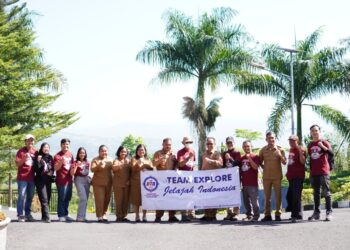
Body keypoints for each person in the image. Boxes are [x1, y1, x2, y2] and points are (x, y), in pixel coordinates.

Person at [307, 124, 333, 221]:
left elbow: (331, 154)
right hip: (314, 172)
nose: (314, 132)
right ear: (310, 133)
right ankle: (316, 213)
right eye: (312, 131)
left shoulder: (324, 142)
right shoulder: (309, 145)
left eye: (316, 130)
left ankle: (329, 213)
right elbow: (311, 159)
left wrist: (323, 146)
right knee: (316, 193)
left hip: (323, 171)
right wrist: (310, 171)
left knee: (326, 193)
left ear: (319, 131)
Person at [259, 132, 286, 222]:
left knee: (278, 196)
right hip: (266, 177)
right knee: (267, 197)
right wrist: (264, 168)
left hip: (277, 177)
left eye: (272, 138)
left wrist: (280, 155)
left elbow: (284, 162)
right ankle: (267, 215)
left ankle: (278, 214)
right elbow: (259, 161)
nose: (271, 140)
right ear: (266, 139)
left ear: (275, 138)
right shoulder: (263, 150)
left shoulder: (280, 149)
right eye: (269, 138)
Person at [153, 138, 178, 222]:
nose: (168, 146)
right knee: (161, 198)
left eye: (170, 145)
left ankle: (172, 216)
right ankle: (158, 216)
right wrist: (161, 158)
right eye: (166, 144)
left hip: (171, 180)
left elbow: (176, 164)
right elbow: (153, 164)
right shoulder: (158, 153)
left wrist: (176, 168)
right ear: (163, 144)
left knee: (172, 198)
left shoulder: (174, 153)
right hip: (161, 180)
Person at [200, 137, 223, 221]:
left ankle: (213, 215)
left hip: (214, 179)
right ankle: (206, 214)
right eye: (208, 144)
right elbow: (203, 165)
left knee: (213, 197)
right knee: (205, 196)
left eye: (211, 143)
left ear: (214, 144)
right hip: (205, 179)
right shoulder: (204, 154)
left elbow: (221, 164)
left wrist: (211, 161)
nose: (209, 145)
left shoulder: (217, 154)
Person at [15, 134, 37, 222]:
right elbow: (17, 164)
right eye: (28, 140)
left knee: (30, 196)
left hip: (32, 178)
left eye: (31, 140)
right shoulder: (21, 151)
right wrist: (24, 158)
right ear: (25, 141)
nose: (30, 142)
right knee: (21, 195)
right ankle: (20, 214)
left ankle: (28, 214)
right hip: (22, 177)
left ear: (33, 142)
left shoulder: (35, 152)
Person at [130, 144, 154, 222]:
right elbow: (133, 169)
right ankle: (137, 215)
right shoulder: (134, 159)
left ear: (145, 151)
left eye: (142, 150)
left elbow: (152, 169)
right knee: (136, 199)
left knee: (145, 199)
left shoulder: (148, 159)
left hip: (146, 183)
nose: (141, 151)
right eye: (139, 150)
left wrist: (145, 166)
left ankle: (144, 216)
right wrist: (138, 163)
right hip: (136, 181)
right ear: (137, 151)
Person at [286, 135, 306, 223]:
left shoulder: (301, 149)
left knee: (295, 196)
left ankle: (294, 215)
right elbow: (290, 163)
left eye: (293, 141)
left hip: (298, 176)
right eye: (290, 141)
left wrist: (299, 150)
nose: (291, 142)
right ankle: (299, 214)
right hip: (291, 177)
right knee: (290, 196)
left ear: (297, 141)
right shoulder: (290, 150)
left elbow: (302, 162)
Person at [54, 138, 74, 222]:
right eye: (64, 144)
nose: (66, 146)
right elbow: (55, 168)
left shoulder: (70, 155)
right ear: (61, 145)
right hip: (61, 180)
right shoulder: (57, 155)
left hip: (69, 180)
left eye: (67, 144)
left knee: (67, 197)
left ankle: (66, 214)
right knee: (61, 197)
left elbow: (72, 166)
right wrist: (61, 161)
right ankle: (61, 215)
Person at [91, 145, 113, 222]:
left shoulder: (110, 159)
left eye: (105, 151)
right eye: (102, 151)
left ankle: (104, 214)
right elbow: (92, 169)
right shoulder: (95, 159)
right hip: (98, 183)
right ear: (99, 152)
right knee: (99, 200)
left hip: (109, 183)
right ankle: (99, 216)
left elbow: (114, 170)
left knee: (107, 200)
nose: (104, 152)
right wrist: (99, 165)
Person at [33, 142, 54, 223]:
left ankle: (43, 217)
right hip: (40, 180)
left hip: (48, 180)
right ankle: (47, 217)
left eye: (48, 147)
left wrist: (51, 172)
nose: (46, 148)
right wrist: (38, 162)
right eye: (45, 147)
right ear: (41, 148)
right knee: (44, 199)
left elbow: (52, 168)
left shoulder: (50, 157)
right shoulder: (38, 157)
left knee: (47, 199)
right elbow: (35, 169)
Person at [240, 140, 261, 222]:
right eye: (245, 146)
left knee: (254, 201)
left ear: (251, 147)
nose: (246, 148)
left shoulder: (255, 156)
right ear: (243, 148)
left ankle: (256, 216)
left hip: (252, 183)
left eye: (248, 146)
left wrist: (249, 158)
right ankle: (249, 215)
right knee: (246, 202)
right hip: (244, 183)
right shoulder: (241, 158)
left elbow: (256, 167)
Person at [177, 136, 196, 222]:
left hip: (191, 176)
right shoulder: (180, 152)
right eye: (187, 142)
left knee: (191, 195)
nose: (188, 144)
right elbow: (180, 164)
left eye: (190, 142)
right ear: (183, 143)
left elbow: (193, 164)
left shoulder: (193, 151)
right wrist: (188, 157)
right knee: (183, 195)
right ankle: (184, 214)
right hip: (183, 177)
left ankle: (191, 214)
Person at [222, 136, 241, 221]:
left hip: (236, 178)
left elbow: (238, 163)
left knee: (236, 195)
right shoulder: (224, 153)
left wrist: (230, 158)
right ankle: (229, 213)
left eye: (231, 142)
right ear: (226, 144)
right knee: (227, 195)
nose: (230, 144)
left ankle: (236, 213)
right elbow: (223, 165)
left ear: (234, 143)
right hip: (227, 178)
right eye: (228, 143)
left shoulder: (237, 152)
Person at [70, 147, 90, 222]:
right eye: (81, 153)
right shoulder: (75, 162)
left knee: (86, 199)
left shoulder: (87, 163)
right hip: (78, 180)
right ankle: (79, 217)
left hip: (86, 180)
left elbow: (87, 172)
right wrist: (76, 166)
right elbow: (72, 173)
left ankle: (83, 216)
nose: (82, 154)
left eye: (83, 153)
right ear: (78, 154)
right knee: (83, 198)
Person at [112, 146, 131, 222]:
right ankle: (119, 216)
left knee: (126, 201)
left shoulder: (128, 161)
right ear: (119, 152)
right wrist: (122, 164)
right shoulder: (116, 160)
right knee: (119, 200)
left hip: (127, 183)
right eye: (122, 151)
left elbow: (131, 172)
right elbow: (114, 168)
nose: (123, 153)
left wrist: (129, 180)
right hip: (118, 184)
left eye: (125, 152)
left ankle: (124, 216)